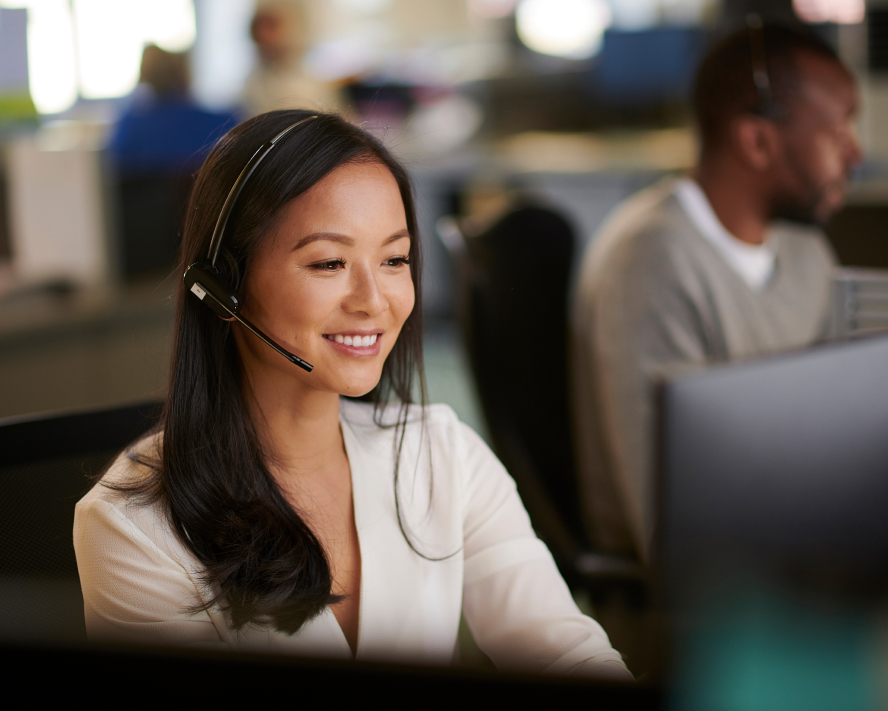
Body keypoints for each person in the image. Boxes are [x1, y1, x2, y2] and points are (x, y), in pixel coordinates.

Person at [73, 110, 630, 679]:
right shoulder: (132, 530)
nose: (374, 300)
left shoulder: (441, 453)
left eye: (394, 259)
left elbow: (567, 652)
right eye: (329, 262)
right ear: (223, 286)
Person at [570, 21, 863, 563]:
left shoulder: (805, 254)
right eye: (837, 132)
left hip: (801, 554)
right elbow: (672, 528)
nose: (855, 153)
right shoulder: (650, 264)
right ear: (757, 140)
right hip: (706, 608)